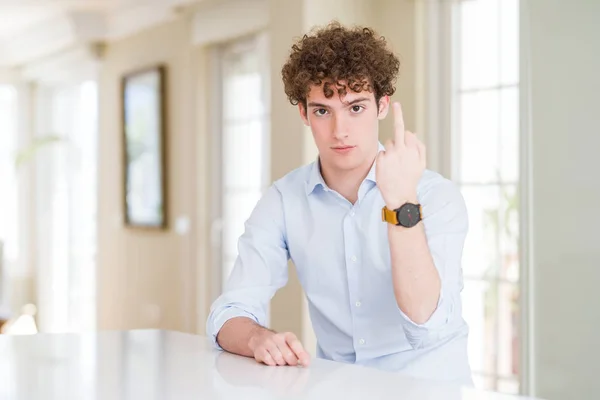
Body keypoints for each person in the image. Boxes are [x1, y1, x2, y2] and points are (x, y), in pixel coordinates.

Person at [206, 21, 472, 385]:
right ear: (303, 113)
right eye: (322, 111)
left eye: (355, 108)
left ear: (382, 106)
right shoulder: (284, 200)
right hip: (339, 387)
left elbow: (425, 324)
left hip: (429, 387)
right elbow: (227, 313)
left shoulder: (434, 196)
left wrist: (400, 203)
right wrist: (258, 338)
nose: (339, 130)